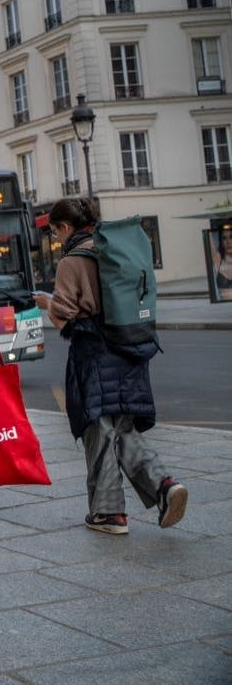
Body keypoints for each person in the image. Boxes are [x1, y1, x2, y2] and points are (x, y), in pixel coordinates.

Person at [35, 196, 187, 534]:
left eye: (55, 232)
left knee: (98, 428)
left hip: (94, 352)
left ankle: (109, 513)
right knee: (121, 426)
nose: (56, 239)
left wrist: (48, 302)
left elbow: (64, 314)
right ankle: (164, 485)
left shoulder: (71, 261)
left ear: (64, 227)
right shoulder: (115, 250)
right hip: (129, 346)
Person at [215, 226, 232, 301]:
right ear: (221, 242)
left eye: (231, 237)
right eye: (224, 238)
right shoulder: (218, 259)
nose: (228, 242)